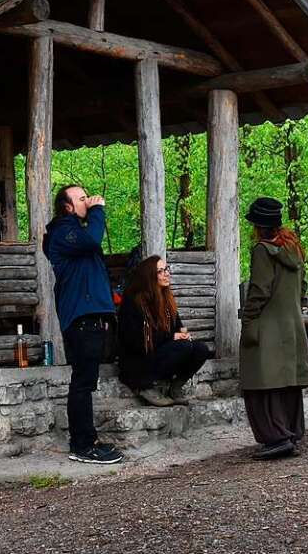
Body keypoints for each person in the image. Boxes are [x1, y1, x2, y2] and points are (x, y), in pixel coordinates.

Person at [42, 185, 123, 465]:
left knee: (86, 381)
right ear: (66, 206)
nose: (87, 201)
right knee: (82, 382)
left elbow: (90, 246)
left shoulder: (76, 233)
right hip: (80, 318)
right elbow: (92, 241)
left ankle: (89, 440)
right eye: (81, 198)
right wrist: (98, 210)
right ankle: (81, 445)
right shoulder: (63, 231)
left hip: (90, 316)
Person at [240, 197, 308, 460]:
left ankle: (276, 436)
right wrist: (297, 307)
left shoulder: (263, 250)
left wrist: (248, 320)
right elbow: (303, 287)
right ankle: (291, 432)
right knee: (287, 381)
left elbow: (259, 290)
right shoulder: (293, 248)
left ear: (258, 226)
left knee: (263, 380)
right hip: (292, 324)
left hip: (267, 325)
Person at [116, 256, 212, 407]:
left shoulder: (166, 300)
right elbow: (134, 341)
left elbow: (177, 327)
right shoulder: (133, 301)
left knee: (200, 349)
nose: (166, 274)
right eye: (160, 271)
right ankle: (144, 386)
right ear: (149, 277)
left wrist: (183, 335)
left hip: (160, 354)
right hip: (138, 362)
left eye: (166, 269)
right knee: (183, 346)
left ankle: (175, 387)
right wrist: (172, 337)